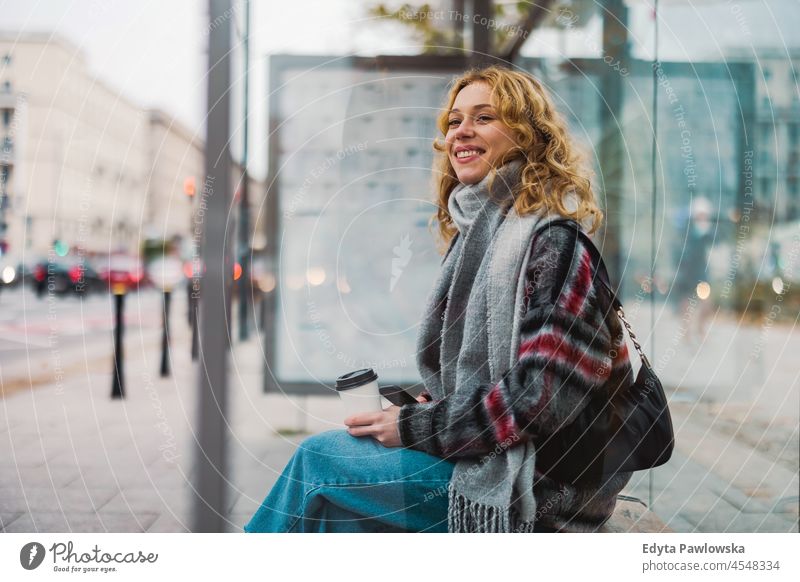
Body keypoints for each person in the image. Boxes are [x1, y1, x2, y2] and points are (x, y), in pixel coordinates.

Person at [245, 65, 634, 534]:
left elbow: (542, 396)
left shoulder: (555, 246)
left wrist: (414, 427)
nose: (462, 131)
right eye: (454, 121)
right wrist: (426, 409)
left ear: (528, 136)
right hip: (499, 462)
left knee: (319, 461)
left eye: (485, 117)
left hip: (545, 489)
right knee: (337, 512)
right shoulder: (481, 237)